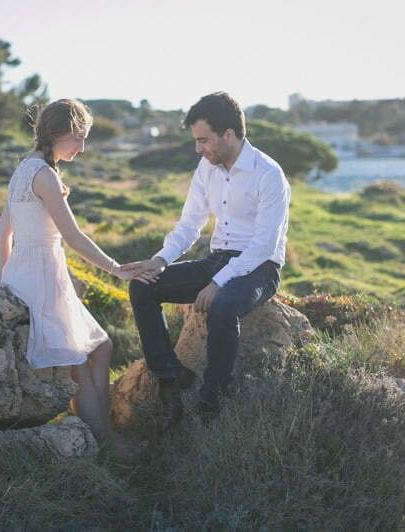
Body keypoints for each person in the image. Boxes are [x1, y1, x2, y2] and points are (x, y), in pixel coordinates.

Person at [123, 91, 290, 432]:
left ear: (228, 134)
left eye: (204, 140)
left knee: (223, 307)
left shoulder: (269, 174)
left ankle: (212, 399)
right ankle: (171, 378)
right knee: (142, 286)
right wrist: (160, 260)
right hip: (217, 259)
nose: (199, 149)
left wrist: (218, 284)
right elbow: (190, 223)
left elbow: (263, 245)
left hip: (259, 267)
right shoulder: (207, 167)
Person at [0, 98, 136, 458]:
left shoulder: (24, 168)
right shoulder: (44, 175)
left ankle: (101, 429)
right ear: (56, 133)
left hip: (27, 272)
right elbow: (72, 237)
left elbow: (2, 238)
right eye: (77, 137)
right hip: (40, 274)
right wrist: (115, 268)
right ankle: (104, 441)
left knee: (100, 348)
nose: (82, 147)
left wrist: (4, 284)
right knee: (78, 362)